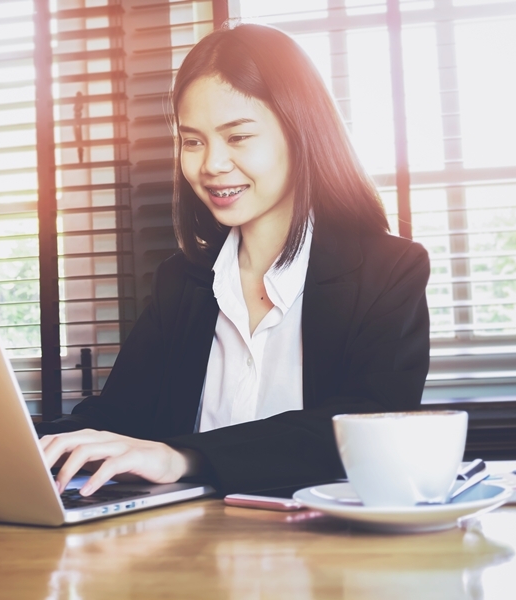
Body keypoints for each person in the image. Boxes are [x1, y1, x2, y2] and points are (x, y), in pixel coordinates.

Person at [36, 23, 431, 497]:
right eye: (193, 141)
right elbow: (118, 420)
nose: (211, 165)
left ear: (300, 134)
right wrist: (23, 442)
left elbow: (362, 428)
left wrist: (183, 456)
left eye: (238, 137)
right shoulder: (181, 283)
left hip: (330, 553)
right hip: (195, 552)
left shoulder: (388, 271)